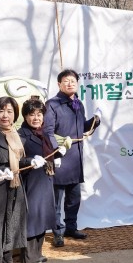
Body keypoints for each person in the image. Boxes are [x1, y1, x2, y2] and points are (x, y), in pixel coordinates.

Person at [0, 96, 46, 263]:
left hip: (15, 187)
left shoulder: (14, 134)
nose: (5, 115)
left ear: (15, 115)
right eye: (1, 111)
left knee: (11, 228)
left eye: (9, 111)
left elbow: (18, 161)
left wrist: (31, 161)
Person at [43, 69, 101, 246]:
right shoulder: (52, 104)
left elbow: (81, 128)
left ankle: (71, 227)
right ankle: (58, 232)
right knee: (56, 200)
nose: (70, 84)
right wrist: (55, 151)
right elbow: (47, 131)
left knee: (74, 198)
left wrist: (95, 121)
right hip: (60, 158)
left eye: (73, 81)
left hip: (75, 158)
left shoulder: (78, 103)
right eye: (66, 81)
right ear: (59, 84)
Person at [18, 98, 58, 263]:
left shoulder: (44, 133)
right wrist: (30, 161)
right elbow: (15, 160)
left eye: (39, 114)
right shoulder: (21, 135)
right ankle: (29, 257)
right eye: (32, 114)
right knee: (32, 219)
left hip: (45, 179)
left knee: (42, 217)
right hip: (31, 182)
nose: (36, 118)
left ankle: (37, 253)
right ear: (25, 116)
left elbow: (49, 152)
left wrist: (56, 156)